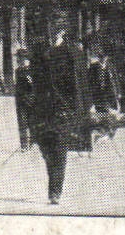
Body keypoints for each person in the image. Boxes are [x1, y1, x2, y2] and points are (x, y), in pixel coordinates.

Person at [28, 27, 84, 206]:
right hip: (42, 113)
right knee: (48, 154)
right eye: (49, 34)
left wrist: (75, 111)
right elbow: (33, 84)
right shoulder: (38, 53)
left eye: (56, 34)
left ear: (61, 35)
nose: (52, 37)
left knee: (59, 153)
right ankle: (54, 186)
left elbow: (77, 86)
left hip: (62, 112)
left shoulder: (70, 54)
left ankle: (55, 192)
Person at [13, 49, 35, 150]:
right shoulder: (18, 71)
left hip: (31, 101)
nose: (20, 61)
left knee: (31, 123)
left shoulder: (33, 70)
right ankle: (24, 145)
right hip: (20, 101)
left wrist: (31, 82)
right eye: (19, 59)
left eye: (21, 59)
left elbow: (38, 85)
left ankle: (31, 142)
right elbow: (18, 87)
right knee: (22, 123)